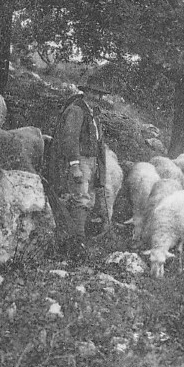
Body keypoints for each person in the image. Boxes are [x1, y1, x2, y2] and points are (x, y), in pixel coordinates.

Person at [46, 76, 110, 252]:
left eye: (99, 94)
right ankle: (77, 242)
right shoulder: (76, 110)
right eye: (93, 92)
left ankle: (77, 238)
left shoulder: (93, 114)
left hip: (92, 161)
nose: (96, 97)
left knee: (88, 199)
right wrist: (74, 164)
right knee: (80, 198)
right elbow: (70, 137)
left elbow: (98, 142)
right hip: (80, 159)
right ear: (85, 92)